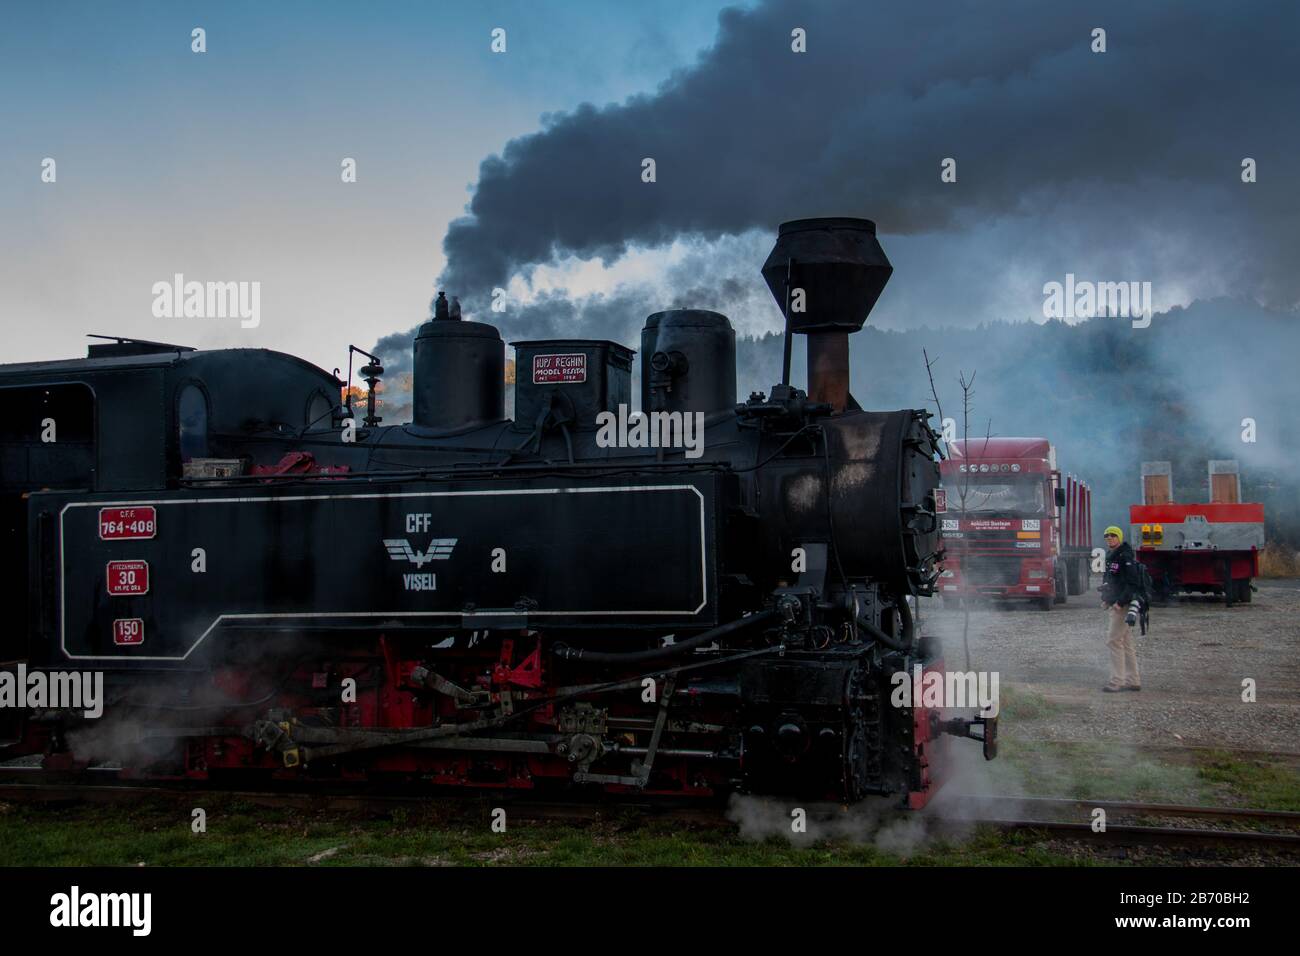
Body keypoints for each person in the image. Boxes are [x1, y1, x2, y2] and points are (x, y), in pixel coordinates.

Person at [1100, 525, 1141, 692]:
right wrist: (1107, 600)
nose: (1109, 538)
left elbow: (1132, 583)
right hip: (1116, 603)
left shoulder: (1125, 556)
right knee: (1125, 642)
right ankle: (1133, 680)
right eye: (1106, 535)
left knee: (1113, 641)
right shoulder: (1113, 556)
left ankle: (1117, 680)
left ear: (1119, 537)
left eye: (1113, 535)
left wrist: (1120, 602)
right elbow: (1112, 582)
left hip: (1123, 606)